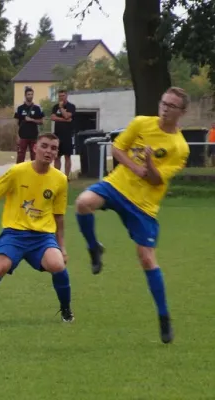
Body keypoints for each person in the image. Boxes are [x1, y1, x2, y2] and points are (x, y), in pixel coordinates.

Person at [74, 87, 191, 344]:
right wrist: (136, 167)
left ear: (182, 112)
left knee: (147, 259)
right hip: (116, 186)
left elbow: (157, 178)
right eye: (164, 102)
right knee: (83, 203)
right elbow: (117, 150)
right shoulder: (141, 123)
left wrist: (149, 164)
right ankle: (94, 249)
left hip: (143, 205)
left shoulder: (179, 148)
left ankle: (163, 317)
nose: (165, 107)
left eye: (172, 105)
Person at [0, 133, 73, 323]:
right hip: (14, 234)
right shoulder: (17, 171)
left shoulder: (60, 179)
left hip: (42, 237)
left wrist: (62, 248)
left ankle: (66, 310)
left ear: (56, 153)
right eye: (44, 146)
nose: (48, 151)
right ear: (35, 148)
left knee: (58, 265)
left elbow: (59, 217)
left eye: (53, 148)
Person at [15, 87, 44, 163]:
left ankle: (34, 173)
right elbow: (16, 123)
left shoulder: (37, 108)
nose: (30, 96)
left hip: (33, 136)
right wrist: (17, 136)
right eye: (28, 94)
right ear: (25, 95)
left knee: (34, 155)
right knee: (20, 155)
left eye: (31, 94)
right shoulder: (20, 108)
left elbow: (41, 121)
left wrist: (32, 120)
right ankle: (19, 172)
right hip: (22, 136)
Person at [50, 90, 76, 178]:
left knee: (67, 156)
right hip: (57, 135)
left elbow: (67, 115)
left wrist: (61, 108)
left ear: (67, 96)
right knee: (57, 156)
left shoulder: (71, 106)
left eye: (63, 95)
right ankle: (57, 176)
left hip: (67, 135)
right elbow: (53, 118)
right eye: (60, 96)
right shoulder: (55, 107)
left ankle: (66, 177)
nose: (61, 97)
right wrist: (65, 120)